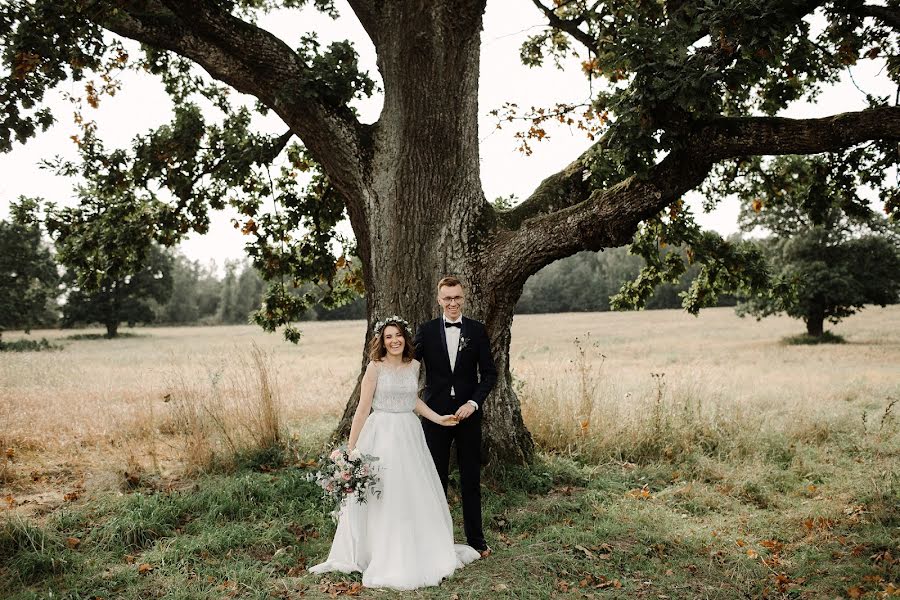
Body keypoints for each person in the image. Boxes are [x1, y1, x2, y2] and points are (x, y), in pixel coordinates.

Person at [309, 316, 480, 590]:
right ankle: (376, 550)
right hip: (381, 433)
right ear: (382, 341)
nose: (394, 340)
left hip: (409, 433)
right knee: (384, 491)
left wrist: (438, 418)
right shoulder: (375, 368)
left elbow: (411, 400)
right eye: (389, 336)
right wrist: (351, 450)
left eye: (398, 335)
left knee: (410, 490)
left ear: (405, 338)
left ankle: (413, 547)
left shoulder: (414, 365)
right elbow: (363, 408)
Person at [414, 276, 497, 557]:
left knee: (470, 479)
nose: (452, 303)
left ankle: (476, 540)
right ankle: (435, 541)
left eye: (457, 297)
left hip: (468, 416)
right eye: (447, 298)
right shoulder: (425, 331)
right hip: (434, 416)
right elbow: (408, 367)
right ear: (439, 300)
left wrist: (473, 403)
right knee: (434, 479)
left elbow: (489, 374)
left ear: (464, 298)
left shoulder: (477, 330)